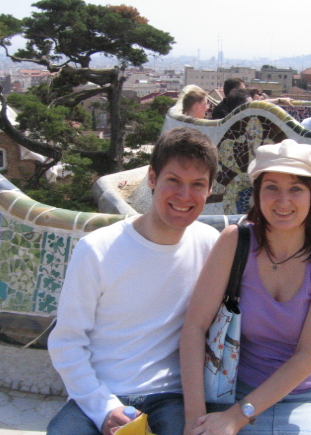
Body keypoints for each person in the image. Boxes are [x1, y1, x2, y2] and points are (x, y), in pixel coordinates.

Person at [47, 127, 221, 435]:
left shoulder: (210, 245)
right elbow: (67, 341)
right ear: (152, 179)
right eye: (173, 181)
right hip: (102, 394)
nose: (184, 196)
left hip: (172, 397)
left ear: (210, 189)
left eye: (197, 185)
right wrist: (104, 408)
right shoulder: (98, 249)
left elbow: (253, 307)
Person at [180, 139, 311, 435]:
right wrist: (194, 420)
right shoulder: (236, 242)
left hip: (307, 396)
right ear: (257, 194)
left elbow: (307, 355)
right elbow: (194, 326)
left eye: (296, 188)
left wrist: (237, 417)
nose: (282, 201)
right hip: (233, 389)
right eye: (271, 187)